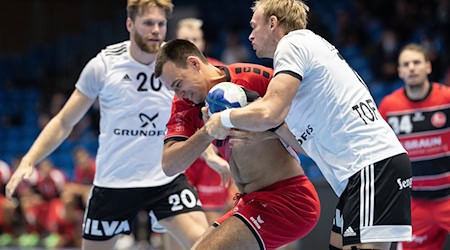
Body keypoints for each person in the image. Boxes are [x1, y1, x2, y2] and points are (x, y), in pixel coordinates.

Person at [203, 1, 412, 249]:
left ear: (273, 23)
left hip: (371, 165)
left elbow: (270, 112)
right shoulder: (307, 56)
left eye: (254, 26)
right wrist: (270, 127)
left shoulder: (293, 44)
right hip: (359, 174)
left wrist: (223, 119)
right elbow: (303, 144)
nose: (250, 35)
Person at [5, 1, 209, 249]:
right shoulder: (103, 65)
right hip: (114, 183)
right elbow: (63, 121)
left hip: (165, 180)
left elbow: (197, 116)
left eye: (161, 23)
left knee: (208, 244)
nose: (156, 30)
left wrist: (214, 154)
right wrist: (29, 160)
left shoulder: (175, 64)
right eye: (148, 23)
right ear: (130, 24)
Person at [155, 39, 320, 250]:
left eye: (179, 84)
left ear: (194, 64)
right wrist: (207, 132)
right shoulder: (185, 106)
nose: (179, 95)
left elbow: (311, 141)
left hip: (288, 199)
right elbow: (170, 165)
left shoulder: (252, 77)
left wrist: (270, 126)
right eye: (173, 90)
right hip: (251, 201)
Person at [378, 43, 450, 250]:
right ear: (399, 71)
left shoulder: (447, 99)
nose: (411, 68)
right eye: (406, 64)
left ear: (428, 67)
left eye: (416, 63)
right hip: (415, 203)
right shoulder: (389, 106)